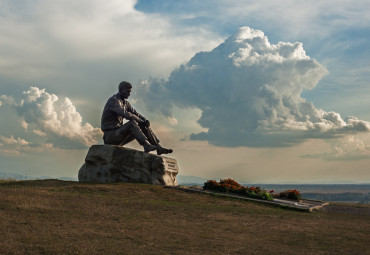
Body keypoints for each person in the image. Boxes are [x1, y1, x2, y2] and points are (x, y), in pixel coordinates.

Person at [101, 81, 173, 155]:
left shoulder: (126, 103)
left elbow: (135, 113)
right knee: (132, 123)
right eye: (127, 91)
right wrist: (140, 120)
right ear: (121, 90)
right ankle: (146, 145)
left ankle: (158, 148)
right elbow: (127, 115)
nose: (129, 94)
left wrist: (144, 120)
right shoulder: (114, 100)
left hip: (118, 135)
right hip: (110, 137)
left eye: (130, 92)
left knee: (142, 125)